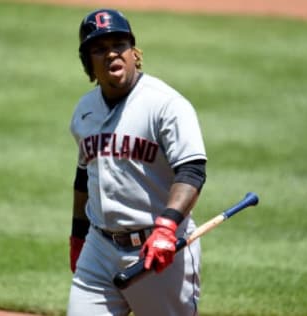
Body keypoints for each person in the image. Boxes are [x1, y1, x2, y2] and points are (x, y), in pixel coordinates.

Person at [68, 8, 207, 316]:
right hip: (99, 249)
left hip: (160, 252)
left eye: (119, 45)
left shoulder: (166, 104)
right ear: (87, 62)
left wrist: (167, 228)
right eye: (99, 49)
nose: (111, 54)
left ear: (134, 53)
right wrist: (77, 237)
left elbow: (192, 170)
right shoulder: (84, 111)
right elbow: (83, 178)